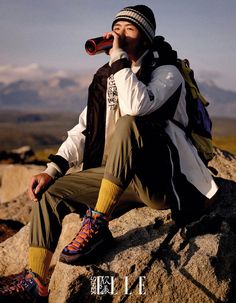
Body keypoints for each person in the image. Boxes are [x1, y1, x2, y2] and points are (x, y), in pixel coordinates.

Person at [0, 4, 218, 302]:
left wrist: (118, 62)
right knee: (51, 193)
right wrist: (52, 170)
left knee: (129, 123)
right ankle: (36, 282)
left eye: (129, 29)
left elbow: (136, 108)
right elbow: (84, 128)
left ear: (146, 38)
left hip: (162, 180)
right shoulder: (109, 77)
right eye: (116, 29)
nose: (120, 35)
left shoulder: (169, 72)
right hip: (120, 176)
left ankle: (98, 221)